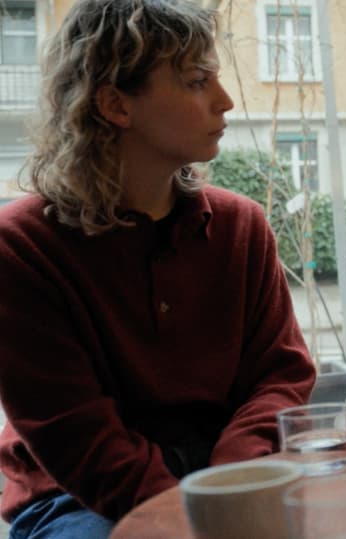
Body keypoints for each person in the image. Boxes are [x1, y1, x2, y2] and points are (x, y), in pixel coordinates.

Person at [0, 1, 316, 537]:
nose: (226, 101)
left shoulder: (242, 226)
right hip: (78, 497)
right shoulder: (22, 246)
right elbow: (76, 436)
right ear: (115, 104)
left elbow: (280, 375)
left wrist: (232, 483)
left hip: (227, 469)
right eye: (197, 82)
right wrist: (191, 519)